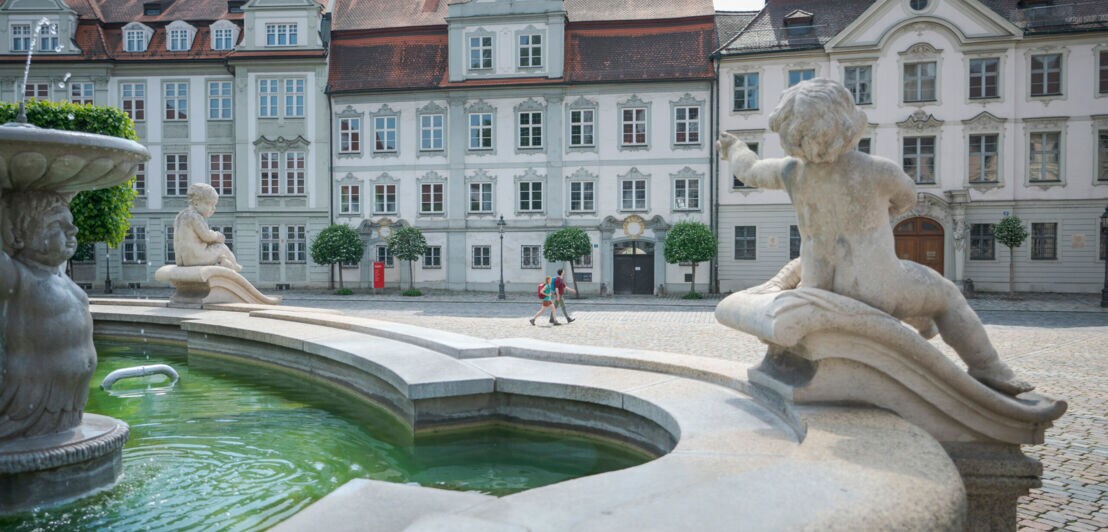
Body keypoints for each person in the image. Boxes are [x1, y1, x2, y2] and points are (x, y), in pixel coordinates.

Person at [717, 78, 1032, 396]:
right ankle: (989, 368)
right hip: (874, 285)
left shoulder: (790, 172)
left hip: (820, 283)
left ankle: (921, 320)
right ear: (846, 123)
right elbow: (907, 200)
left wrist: (734, 148)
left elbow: (751, 170)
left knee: (812, 256)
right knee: (946, 295)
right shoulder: (878, 170)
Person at [0, 189, 96, 439]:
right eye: (56, 224)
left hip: (65, 404)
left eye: (70, 224)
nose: (72, 231)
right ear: (19, 234)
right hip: (30, 405)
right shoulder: (16, 276)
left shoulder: (59, 275)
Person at [175, 183, 242, 271]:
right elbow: (206, 236)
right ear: (196, 203)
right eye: (210, 204)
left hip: (182, 259)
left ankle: (223, 261)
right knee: (221, 247)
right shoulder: (195, 217)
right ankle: (234, 266)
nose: (214, 208)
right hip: (196, 257)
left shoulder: (180, 216)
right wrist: (217, 236)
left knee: (215, 250)